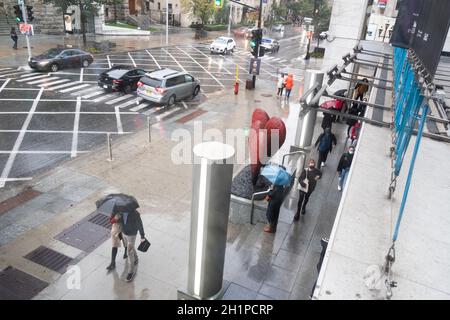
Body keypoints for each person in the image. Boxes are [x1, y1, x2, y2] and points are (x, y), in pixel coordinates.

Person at [119, 210, 146, 282]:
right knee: (129, 247)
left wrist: (142, 236)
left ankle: (130, 272)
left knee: (129, 253)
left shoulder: (135, 214)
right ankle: (136, 258)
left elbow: (140, 225)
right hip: (123, 232)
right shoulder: (121, 211)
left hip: (131, 235)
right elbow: (120, 221)